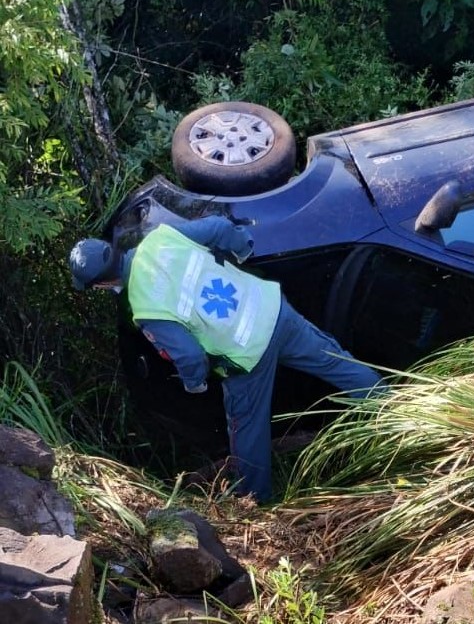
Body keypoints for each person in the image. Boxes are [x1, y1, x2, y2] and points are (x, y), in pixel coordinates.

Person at [68, 215, 381, 502]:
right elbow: (219, 227)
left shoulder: (143, 305)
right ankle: (392, 408)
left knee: (247, 432)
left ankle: (256, 503)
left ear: (102, 283)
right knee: (334, 361)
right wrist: (242, 248)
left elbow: (189, 356)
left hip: (247, 355)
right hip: (273, 309)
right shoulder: (161, 238)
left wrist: (195, 384)